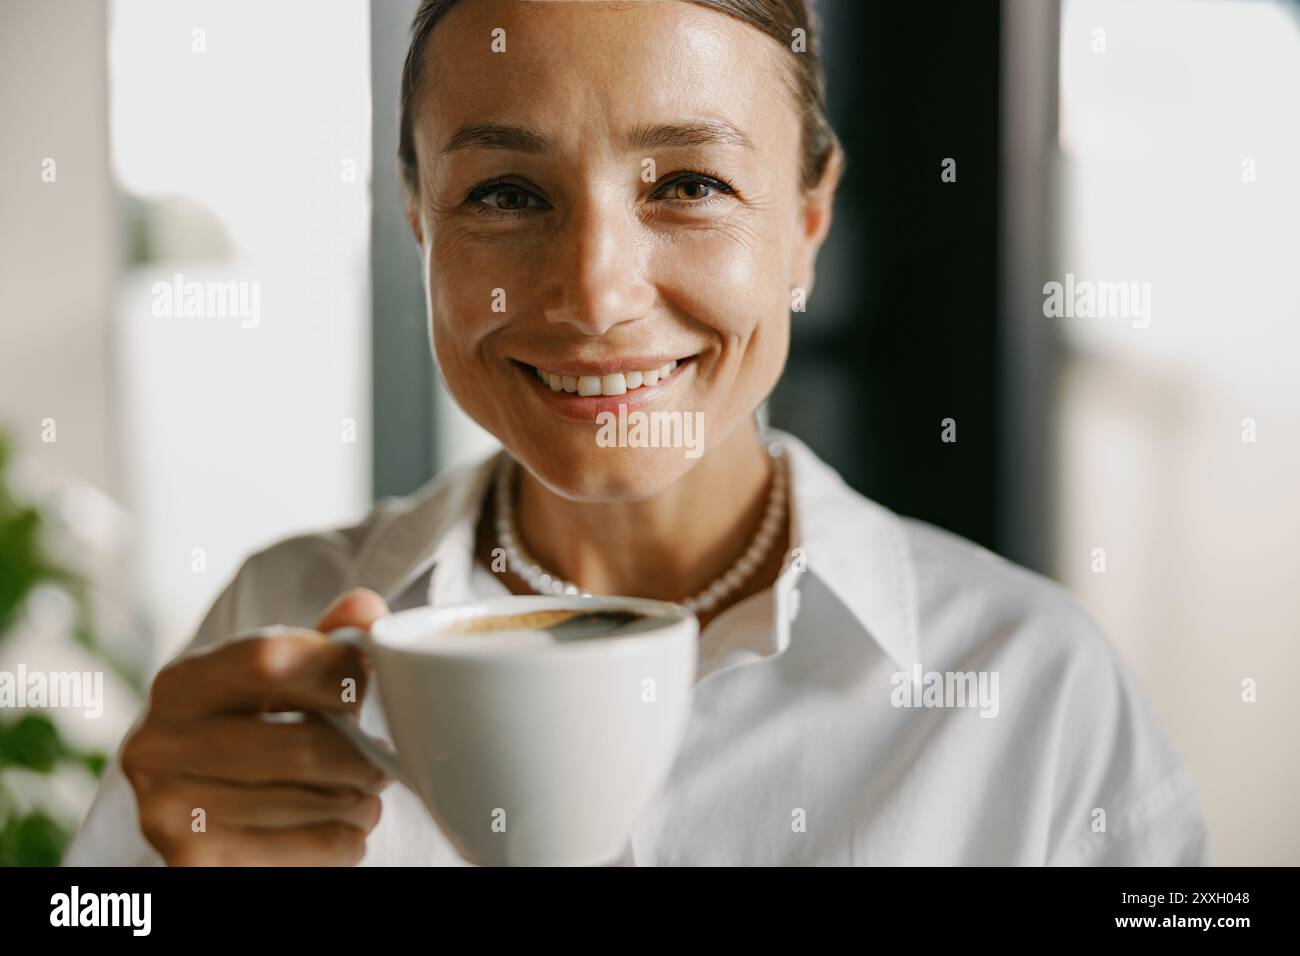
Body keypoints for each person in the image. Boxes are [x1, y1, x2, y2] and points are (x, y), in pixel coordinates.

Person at [66, 0, 1209, 866]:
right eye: (507, 194)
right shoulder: (277, 625)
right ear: (419, 223)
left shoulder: (1033, 685)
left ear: (806, 227)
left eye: (691, 185)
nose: (596, 291)